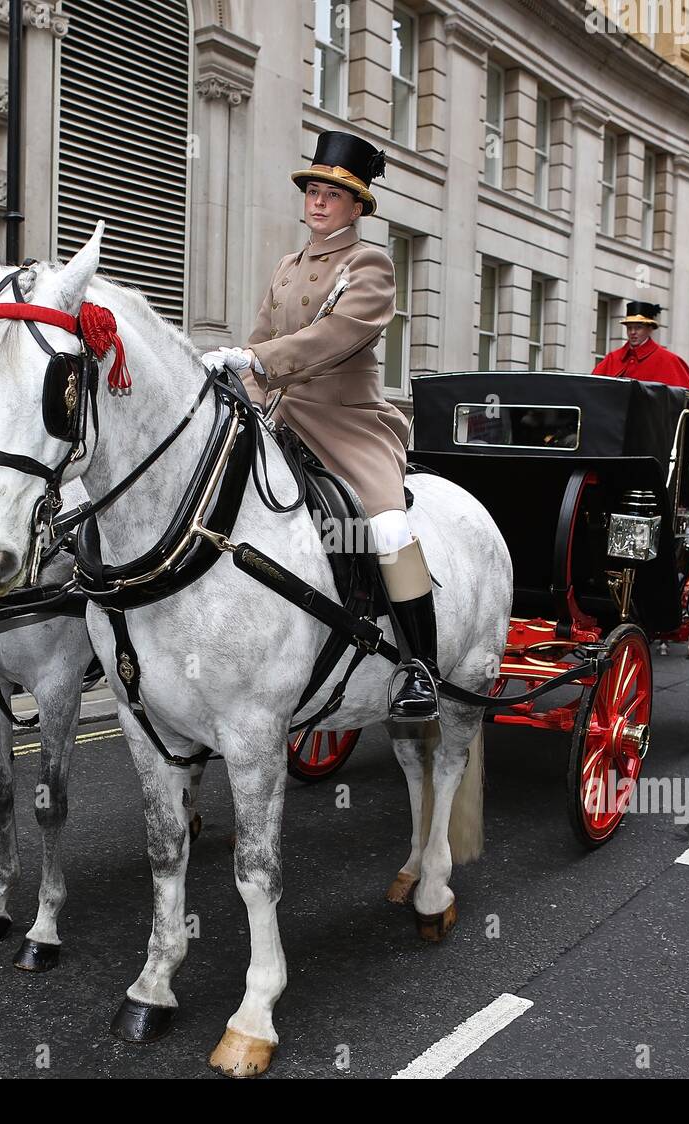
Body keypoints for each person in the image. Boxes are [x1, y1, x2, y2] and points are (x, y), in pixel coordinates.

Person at [200, 130, 438, 722]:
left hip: (348, 424)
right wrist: (243, 389)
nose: (320, 199)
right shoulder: (286, 267)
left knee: (386, 530)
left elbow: (337, 336)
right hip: (281, 416)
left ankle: (419, 668)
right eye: (314, 188)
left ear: (358, 206)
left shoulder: (371, 264)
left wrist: (260, 361)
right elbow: (261, 340)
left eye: (335, 193)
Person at [592, 301, 689, 390]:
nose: (633, 332)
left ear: (650, 329)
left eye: (638, 327)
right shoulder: (613, 358)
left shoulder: (668, 360)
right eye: (629, 328)